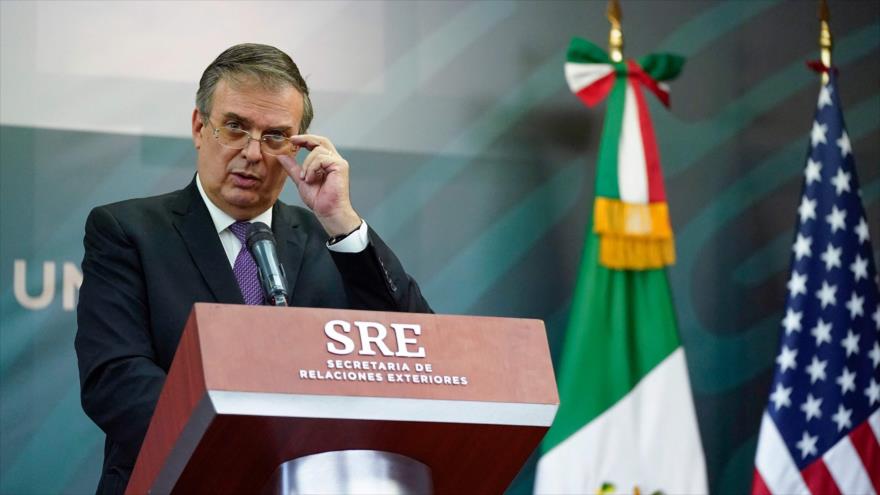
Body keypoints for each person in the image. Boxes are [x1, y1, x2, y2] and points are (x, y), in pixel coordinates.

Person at [74, 43, 432, 494]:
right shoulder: (127, 231)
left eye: (275, 136)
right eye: (236, 128)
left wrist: (342, 220)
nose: (252, 153)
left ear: (298, 147)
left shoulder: (332, 237)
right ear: (199, 127)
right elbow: (116, 378)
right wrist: (245, 456)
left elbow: (417, 350)